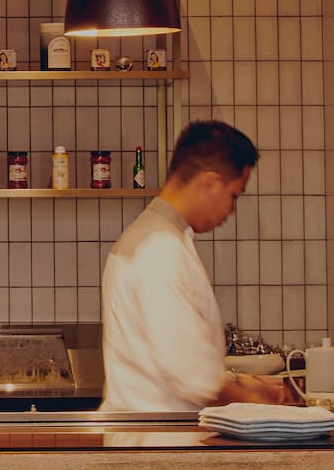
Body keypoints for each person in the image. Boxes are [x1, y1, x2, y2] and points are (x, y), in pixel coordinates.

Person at [100, 120, 291, 411]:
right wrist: (265, 406)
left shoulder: (158, 237)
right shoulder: (159, 250)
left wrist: (241, 382)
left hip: (158, 441)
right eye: (234, 196)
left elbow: (175, 359)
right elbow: (194, 379)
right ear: (210, 183)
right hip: (159, 445)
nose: (231, 210)